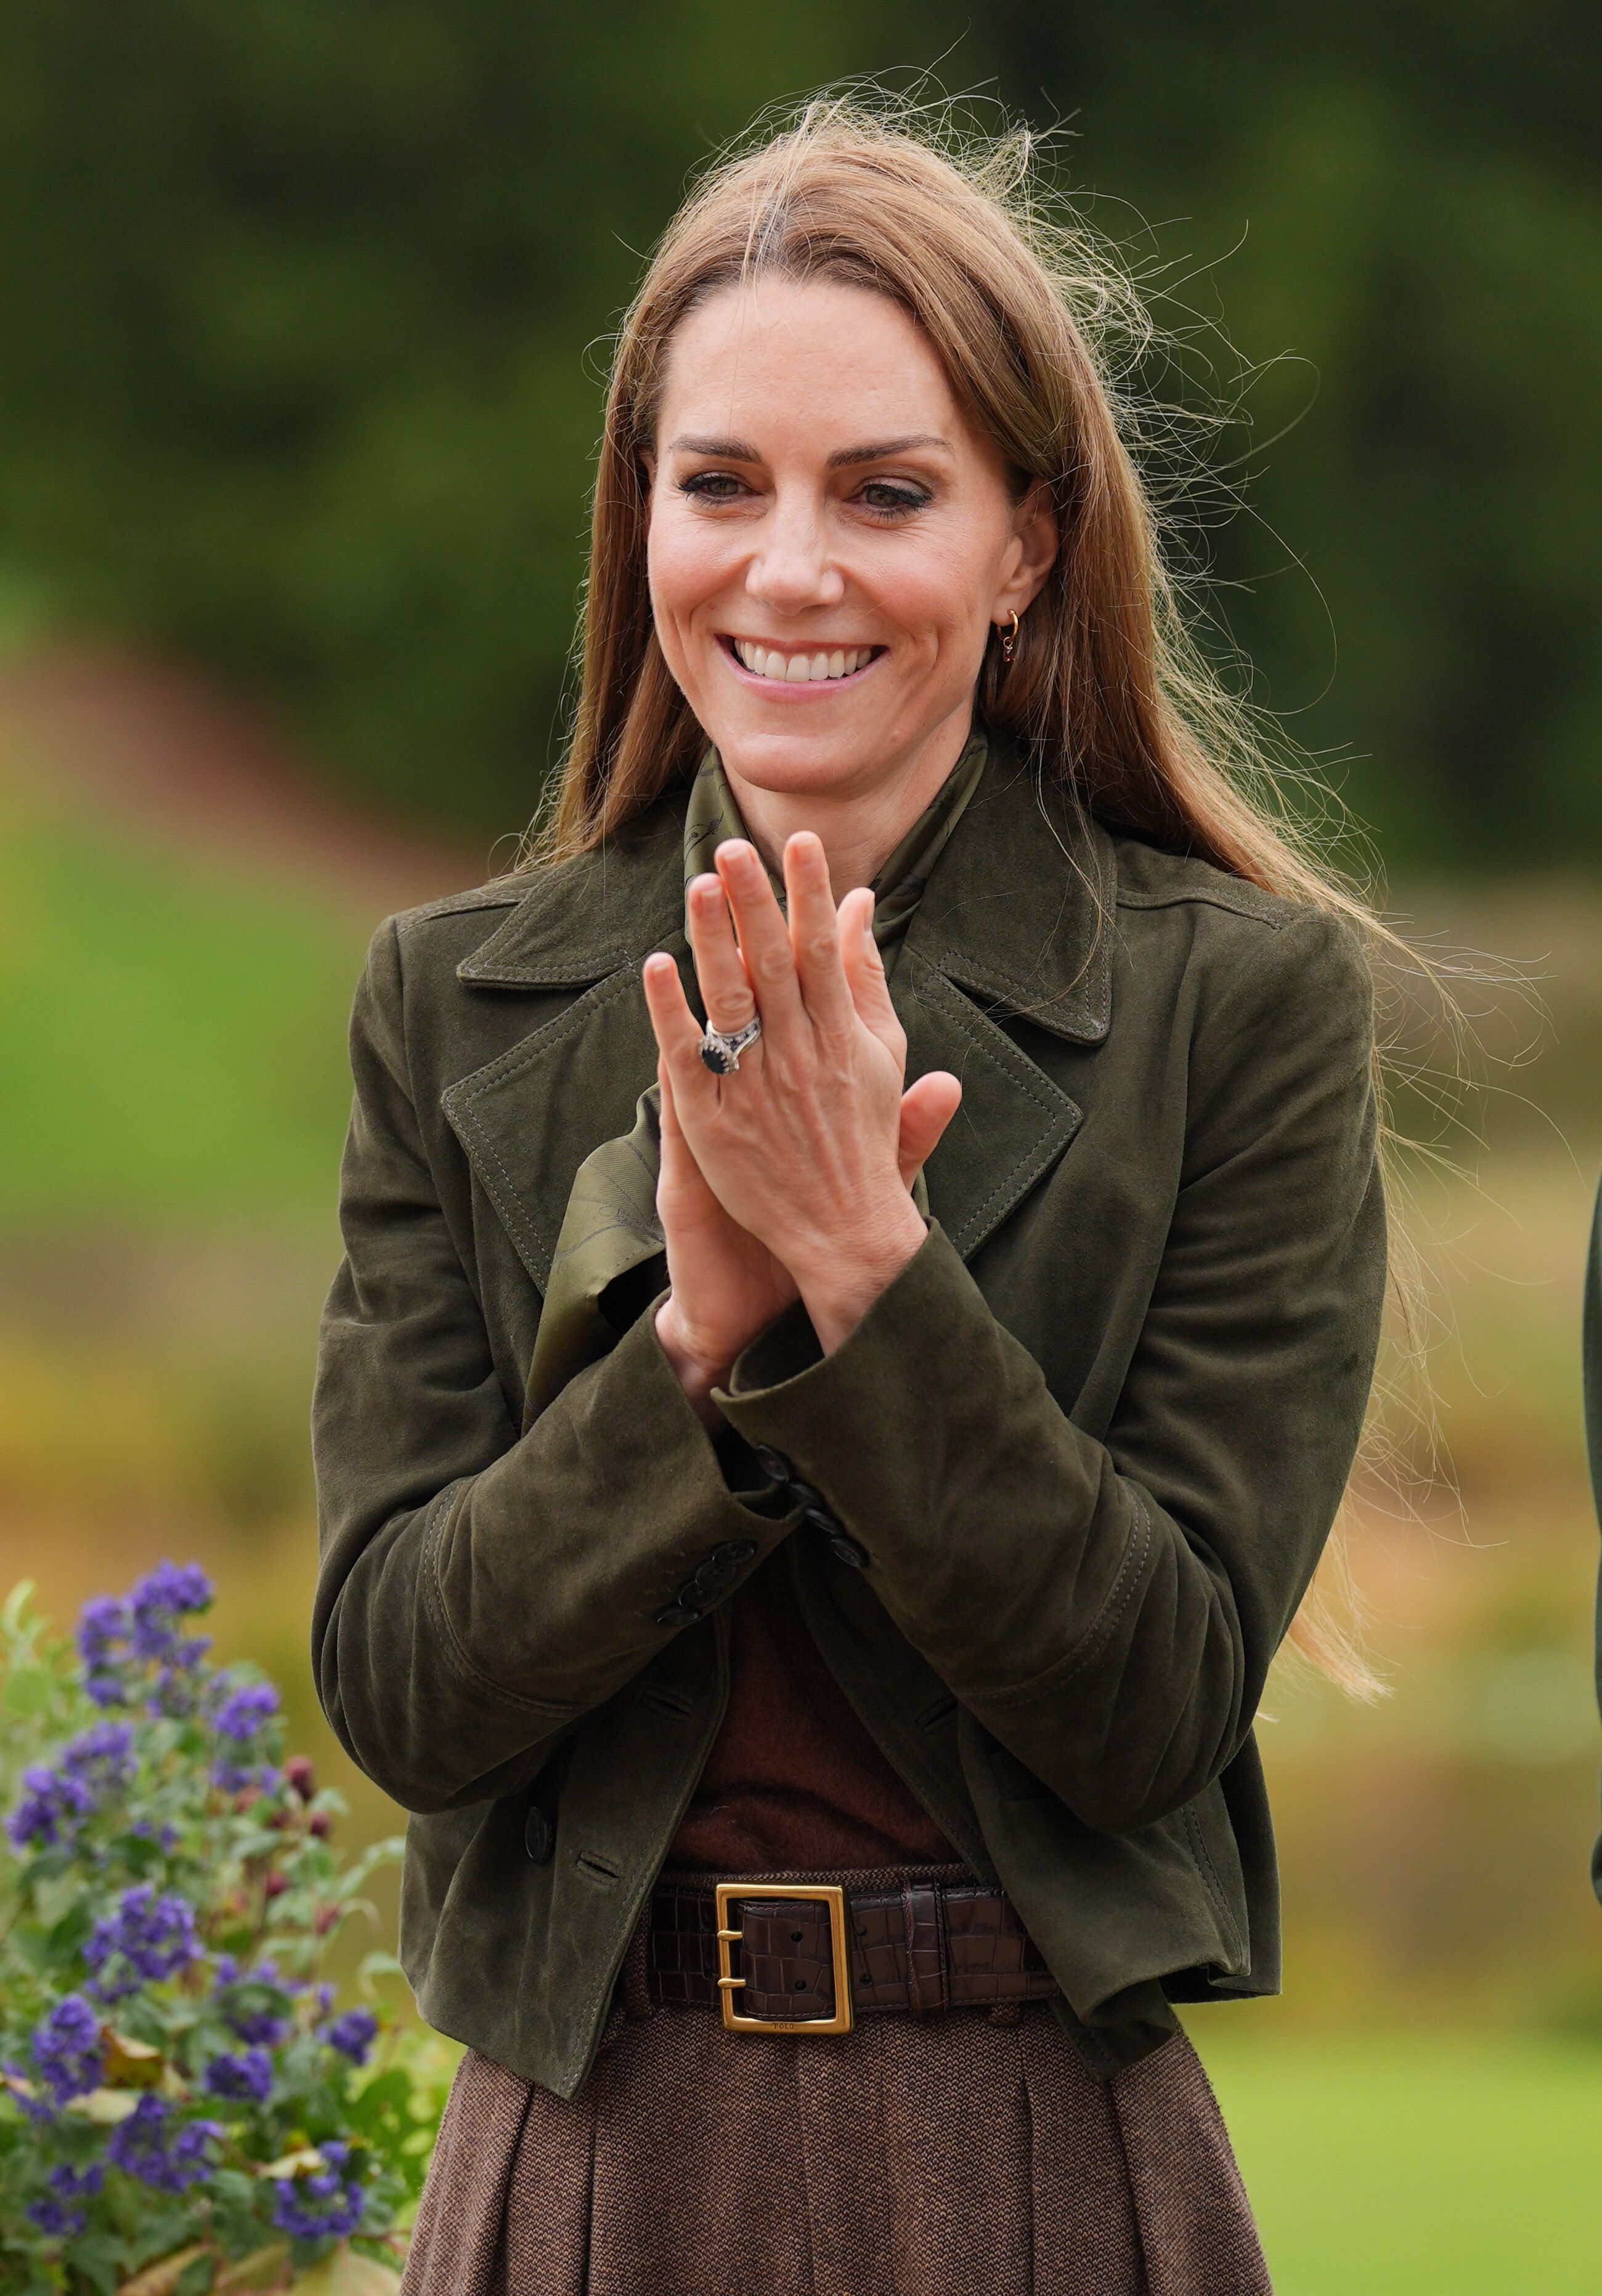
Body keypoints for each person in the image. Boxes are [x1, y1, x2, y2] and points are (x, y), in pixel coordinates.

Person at [311, 100, 1388, 2295]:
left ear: (1025, 548)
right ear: (641, 520)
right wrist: (693, 1352)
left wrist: (870, 1279)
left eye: (886, 493)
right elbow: (404, 1691)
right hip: (584, 2154)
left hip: (1030, 2147)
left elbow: (1155, 1704)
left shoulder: (1242, 1009)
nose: (788, 568)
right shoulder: (445, 1000)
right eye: (721, 484)